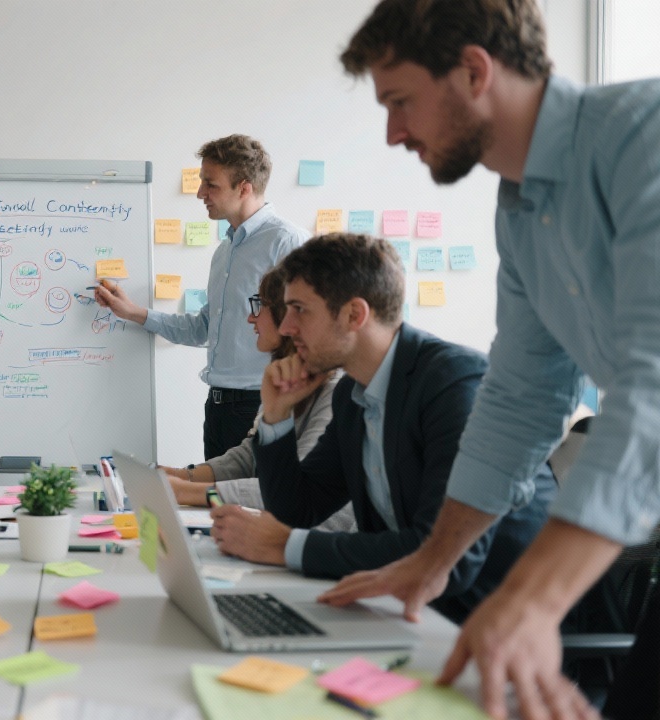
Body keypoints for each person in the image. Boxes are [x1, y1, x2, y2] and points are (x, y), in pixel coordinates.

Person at [322, 2, 660, 717]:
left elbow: (651, 392)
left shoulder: (643, 134)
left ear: (475, 70)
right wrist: (431, 561)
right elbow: (520, 401)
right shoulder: (520, 209)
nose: (392, 134)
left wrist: (533, 601)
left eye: (400, 102)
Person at [208, 233, 555, 625]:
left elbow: (442, 558)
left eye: (299, 310)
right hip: (407, 610)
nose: (286, 327)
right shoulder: (355, 395)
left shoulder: (453, 386)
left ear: (355, 315)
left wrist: (287, 546)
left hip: (493, 623)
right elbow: (299, 509)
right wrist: (276, 416)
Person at [95, 135, 308, 458]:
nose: (200, 194)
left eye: (211, 184)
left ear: (244, 188)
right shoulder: (225, 251)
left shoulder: (286, 242)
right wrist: (133, 313)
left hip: (264, 403)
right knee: (217, 506)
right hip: (219, 406)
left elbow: (312, 329)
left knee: (257, 504)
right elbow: (203, 328)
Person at [162, 266, 354, 533]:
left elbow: (298, 490)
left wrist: (187, 492)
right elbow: (249, 457)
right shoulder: (286, 379)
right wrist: (180, 476)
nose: (251, 318)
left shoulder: (336, 391)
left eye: (260, 305)